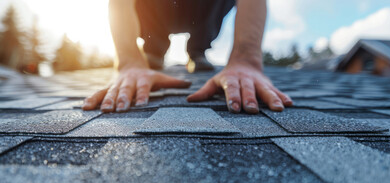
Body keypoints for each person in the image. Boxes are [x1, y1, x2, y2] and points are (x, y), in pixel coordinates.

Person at [82, 0, 293, 114]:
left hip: (201, 10)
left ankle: (197, 50)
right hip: (155, 9)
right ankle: (154, 50)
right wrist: (129, 62)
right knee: (151, 49)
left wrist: (247, 60)